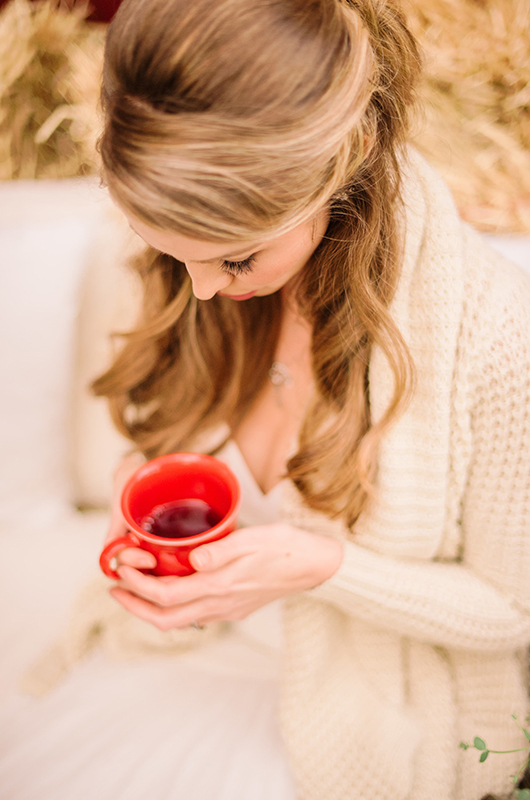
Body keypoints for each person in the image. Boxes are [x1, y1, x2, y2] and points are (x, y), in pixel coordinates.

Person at [2, 0, 530, 798]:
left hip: (371, 712)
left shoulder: (494, 339)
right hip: (178, 656)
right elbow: (163, 418)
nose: (205, 292)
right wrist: (141, 475)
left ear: (341, 161)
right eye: (173, 256)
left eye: (238, 260)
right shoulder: (179, 241)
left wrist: (322, 568)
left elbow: (511, 614)